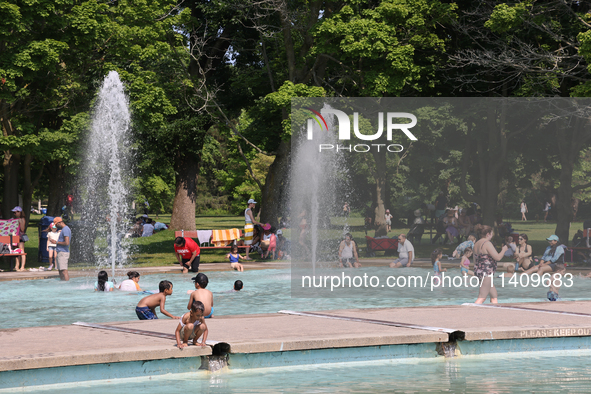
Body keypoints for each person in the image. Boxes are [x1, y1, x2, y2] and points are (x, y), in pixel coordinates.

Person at [522, 235, 566, 301]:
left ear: (556, 241)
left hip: (556, 264)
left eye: (551, 241)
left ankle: (535, 281)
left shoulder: (560, 248)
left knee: (541, 269)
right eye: (549, 240)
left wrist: (544, 264)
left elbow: (554, 259)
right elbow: (544, 257)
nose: (549, 242)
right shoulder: (548, 247)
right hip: (547, 263)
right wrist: (541, 263)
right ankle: (520, 276)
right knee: (534, 267)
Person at [473, 225, 508, 304]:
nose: (492, 236)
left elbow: (474, 261)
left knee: (494, 296)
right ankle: (470, 312)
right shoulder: (487, 243)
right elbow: (498, 257)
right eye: (492, 233)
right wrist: (504, 250)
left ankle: (494, 312)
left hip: (479, 272)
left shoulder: (476, 244)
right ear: (488, 234)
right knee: (482, 297)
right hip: (486, 273)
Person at [50, 217, 71, 281]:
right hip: (60, 252)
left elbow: (67, 242)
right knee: (60, 271)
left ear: (59, 222)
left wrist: (56, 242)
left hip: (63, 252)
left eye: (56, 224)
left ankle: (67, 284)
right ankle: (62, 283)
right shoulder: (64, 229)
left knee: (64, 271)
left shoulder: (65, 229)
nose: (56, 226)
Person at [11, 206, 27, 271]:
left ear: (19, 212)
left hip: (20, 237)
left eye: (15, 213)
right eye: (14, 213)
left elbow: (22, 229)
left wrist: (20, 222)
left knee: (22, 251)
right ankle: (16, 266)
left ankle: (22, 266)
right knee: (16, 252)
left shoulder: (22, 219)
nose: (14, 214)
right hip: (15, 237)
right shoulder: (14, 219)